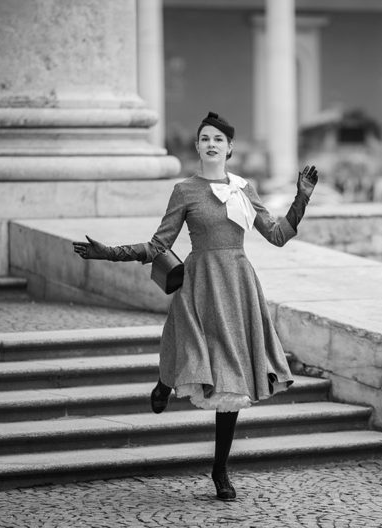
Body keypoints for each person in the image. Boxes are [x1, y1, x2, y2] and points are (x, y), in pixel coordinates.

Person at [72, 111, 318, 501]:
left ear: (230, 147)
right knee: (185, 342)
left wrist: (301, 199)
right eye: (205, 138)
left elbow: (277, 235)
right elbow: (157, 246)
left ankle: (220, 469)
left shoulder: (243, 189)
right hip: (199, 283)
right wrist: (109, 252)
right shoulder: (185, 190)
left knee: (232, 381)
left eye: (218, 139)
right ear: (198, 146)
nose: (211, 144)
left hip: (237, 286)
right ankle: (165, 381)